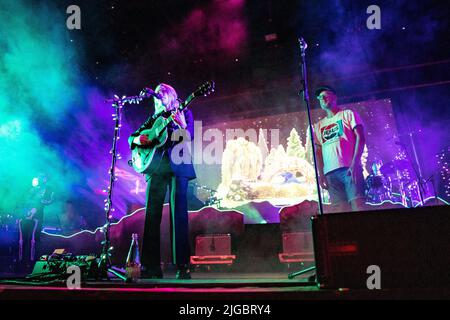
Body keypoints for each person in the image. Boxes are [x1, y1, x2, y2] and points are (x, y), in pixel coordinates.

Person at [128, 83, 195, 279]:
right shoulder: (154, 118)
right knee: (151, 216)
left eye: (162, 94)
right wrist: (141, 140)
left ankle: (183, 266)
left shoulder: (185, 111)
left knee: (179, 216)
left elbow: (190, 137)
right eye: (157, 95)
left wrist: (182, 126)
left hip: (178, 167)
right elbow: (132, 138)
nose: (158, 97)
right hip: (156, 168)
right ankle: (151, 266)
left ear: (172, 96)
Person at [313, 86, 366, 212]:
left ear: (335, 97)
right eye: (320, 98)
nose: (322, 99)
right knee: (340, 211)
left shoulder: (348, 114)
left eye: (326, 95)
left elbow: (361, 138)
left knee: (358, 206)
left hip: (349, 168)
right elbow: (319, 152)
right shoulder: (319, 125)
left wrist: (354, 164)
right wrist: (321, 174)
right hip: (330, 173)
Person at [18, 174, 54, 270]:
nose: (39, 178)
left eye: (42, 176)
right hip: (25, 216)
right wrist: (24, 211)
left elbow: (49, 200)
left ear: (45, 179)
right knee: (23, 240)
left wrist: (38, 205)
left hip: (36, 217)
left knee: (34, 239)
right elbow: (22, 199)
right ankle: (21, 262)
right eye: (38, 176)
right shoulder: (30, 188)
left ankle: (32, 263)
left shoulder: (48, 188)